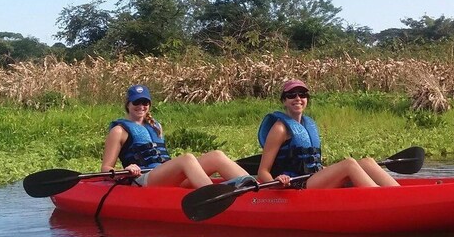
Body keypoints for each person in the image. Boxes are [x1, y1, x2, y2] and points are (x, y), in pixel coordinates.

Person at [101, 84, 252, 188]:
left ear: (150, 104)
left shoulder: (155, 126)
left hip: (165, 176)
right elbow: (105, 169)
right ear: (128, 104)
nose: (141, 106)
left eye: (145, 102)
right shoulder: (119, 131)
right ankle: (212, 194)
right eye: (136, 102)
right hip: (143, 179)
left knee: (217, 155)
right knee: (186, 158)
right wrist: (129, 168)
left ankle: (256, 189)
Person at [257, 80, 400, 188]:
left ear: (307, 99)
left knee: (366, 162)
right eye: (291, 95)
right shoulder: (280, 129)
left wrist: (328, 169)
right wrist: (277, 182)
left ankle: (399, 194)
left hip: (313, 177)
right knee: (349, 164)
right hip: (297, 184)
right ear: (284, 101)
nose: (297, 98)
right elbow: (262, 172)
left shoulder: (308, 124)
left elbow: (312, 163)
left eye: (302, 94)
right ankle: (382, 199)